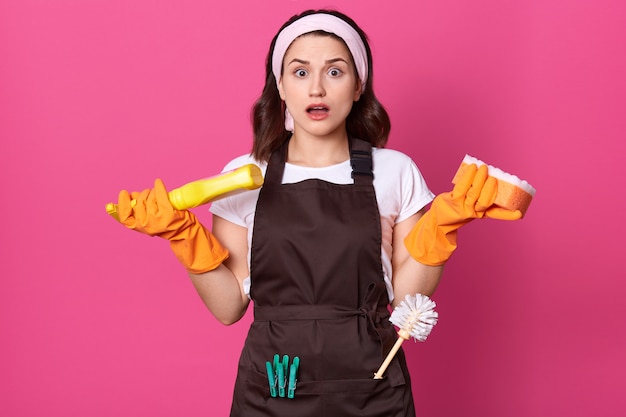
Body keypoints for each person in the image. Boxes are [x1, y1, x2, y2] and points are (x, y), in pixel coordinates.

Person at [115, 9, 521, 417]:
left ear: (358, 84)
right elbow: (228, 307)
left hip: (371, 389)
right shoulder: (245, 176)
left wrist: (443, 224)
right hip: (271, 391)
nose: (317, 90)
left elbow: (407, 299)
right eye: (301, 72)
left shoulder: (395, 171)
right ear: (281, 85)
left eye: (335, 72)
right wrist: (182, 236)